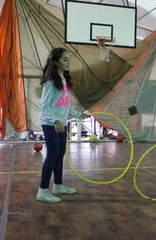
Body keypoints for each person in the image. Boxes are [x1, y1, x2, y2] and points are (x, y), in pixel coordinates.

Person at [36, 47, 88, 203]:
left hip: (61, 123)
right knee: (52, 156)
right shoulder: (50, 82)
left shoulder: (64, 81)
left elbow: (64, 107)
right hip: (50, 123)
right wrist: (55, 121)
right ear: (56, 61)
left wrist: (79, 115)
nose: (68, 62)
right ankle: (42, 191)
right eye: (65, 59)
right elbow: (44, 106)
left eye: (69, 60)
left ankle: (58, 185)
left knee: (60, 155)